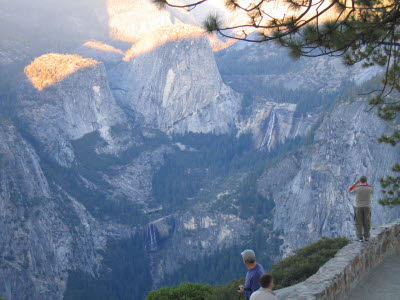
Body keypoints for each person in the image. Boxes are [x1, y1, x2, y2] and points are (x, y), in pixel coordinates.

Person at [349, 176, 374, 242]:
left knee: (358, 222)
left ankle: (360, 237)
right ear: (366, 181)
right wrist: (367, 184)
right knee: (367, 222)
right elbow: (372, 191)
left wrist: (355, 183)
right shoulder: (370, 188)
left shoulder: (356, 188)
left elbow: (350, 189)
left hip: (358, 207)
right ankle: (366, 236)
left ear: (360, 181)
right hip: (367, 207)